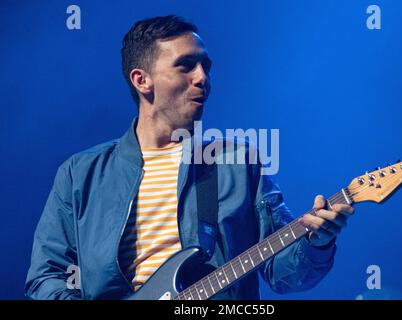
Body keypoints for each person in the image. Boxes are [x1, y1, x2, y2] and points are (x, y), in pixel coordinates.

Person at [25, 15, 354, 300]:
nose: (202, 78)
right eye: (186, 66)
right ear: (142, 80)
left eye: (205, 66)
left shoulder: (237, 162)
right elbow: (46, 275)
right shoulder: (80, 173)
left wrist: (316, 243)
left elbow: (283, 275)